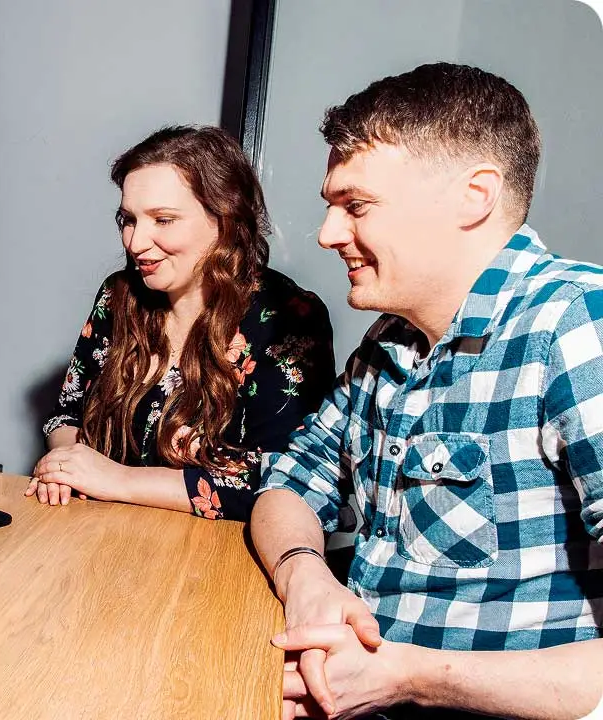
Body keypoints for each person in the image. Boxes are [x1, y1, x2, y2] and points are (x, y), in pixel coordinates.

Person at [253, 62, 603, 720]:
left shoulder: (578, 322)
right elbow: (288, 486)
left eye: (355, 206)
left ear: (474, 197)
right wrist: (306, 577)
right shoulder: (387, 342)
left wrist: (406, 677)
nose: (328, 233)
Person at [30, 126, 335, 521]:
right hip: (97, 537)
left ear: (224, 218)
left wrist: (118, 480)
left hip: (211, 560)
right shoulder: (118, 295)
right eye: (128, 219)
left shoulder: (288, 315)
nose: (136, 242)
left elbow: (286, 479)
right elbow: (65, 416)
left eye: (163, 219)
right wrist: (64, 467)